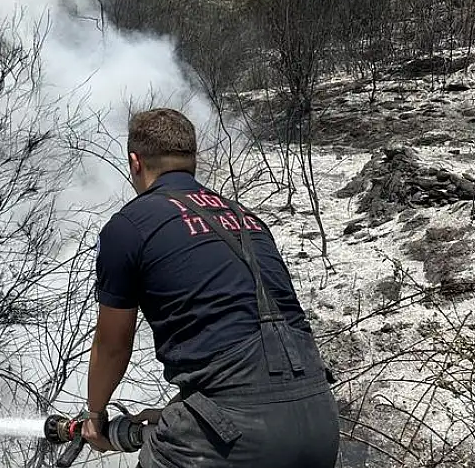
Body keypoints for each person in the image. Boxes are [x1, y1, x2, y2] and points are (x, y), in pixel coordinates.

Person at [80, 108, 340, 467]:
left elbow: (112, 345)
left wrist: (95, 415)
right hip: (320, 419)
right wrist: (188, 411)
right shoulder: (248, 219)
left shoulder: (129, 226)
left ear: (135, 162)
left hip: (235, 436)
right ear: (193, 161)